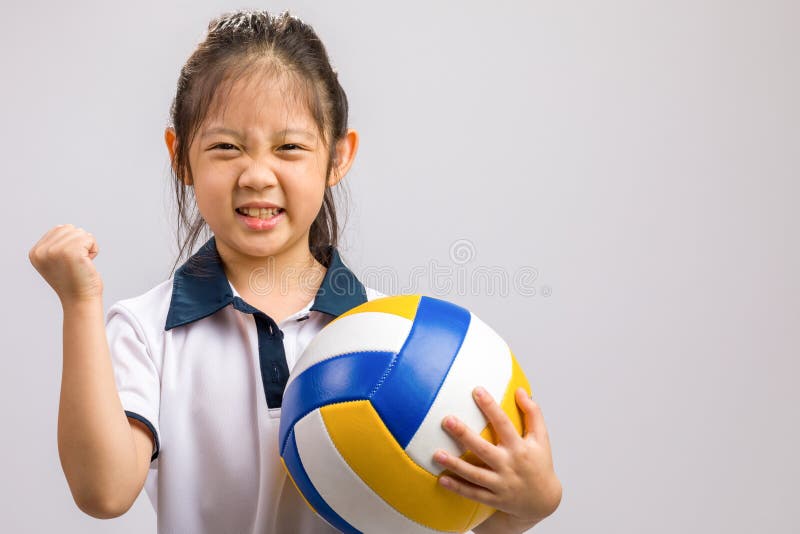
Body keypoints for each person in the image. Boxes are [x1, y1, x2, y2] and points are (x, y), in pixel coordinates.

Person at [28, 9, 561, 534]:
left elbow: (443, 518)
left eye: (289, 147)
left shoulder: (398, 337)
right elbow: (103, 493)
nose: (257, 175)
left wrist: (527, 506)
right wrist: (79, 304)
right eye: (226, 147)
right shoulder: (146, 331)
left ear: (337, 156)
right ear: (180, 157)